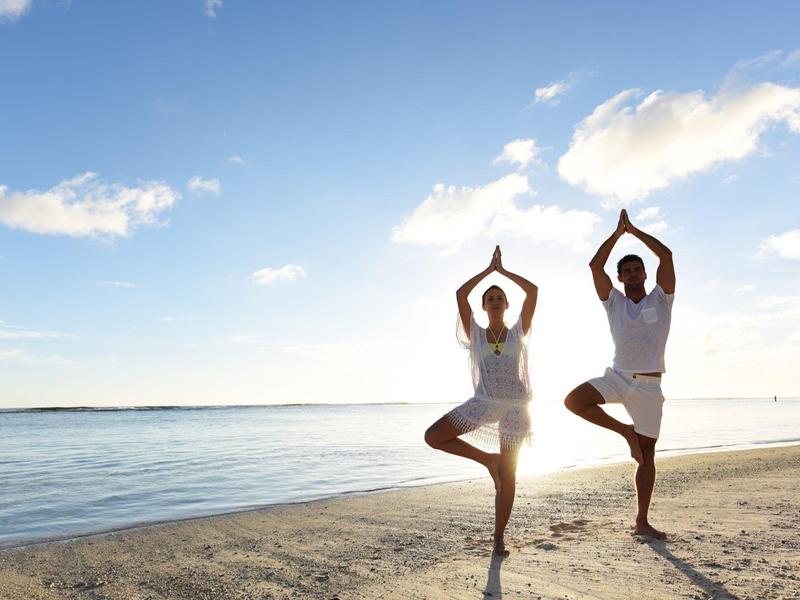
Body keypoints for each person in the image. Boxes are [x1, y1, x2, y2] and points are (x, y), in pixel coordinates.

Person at [564, 209, 675, 539]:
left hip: (650, 387)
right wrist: (616, 234)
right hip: (617, 377)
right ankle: (625, 432)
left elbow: (666, 255)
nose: (631, 273)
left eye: (636, 269)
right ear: (621, 277)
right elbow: (594, 267)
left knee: (647, 457)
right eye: (625, 271)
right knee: (574, 400)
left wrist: (634, 231)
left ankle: (642, 521)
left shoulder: (662, 298)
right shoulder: (613, 301)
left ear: (644, 274)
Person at [424, 245, 538, 556]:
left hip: (515, 407)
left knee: (509, 474)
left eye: (500, 298)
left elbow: (533, 291)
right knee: (433, 436)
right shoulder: (475, 334)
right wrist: (489, 271)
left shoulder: (517, 333)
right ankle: (487, 459)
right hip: (484, 402)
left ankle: (499, 537)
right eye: (490, 299)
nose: (496, 302)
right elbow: (461, 295)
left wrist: (504, 272)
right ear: (485, 307)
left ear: (506, 304)